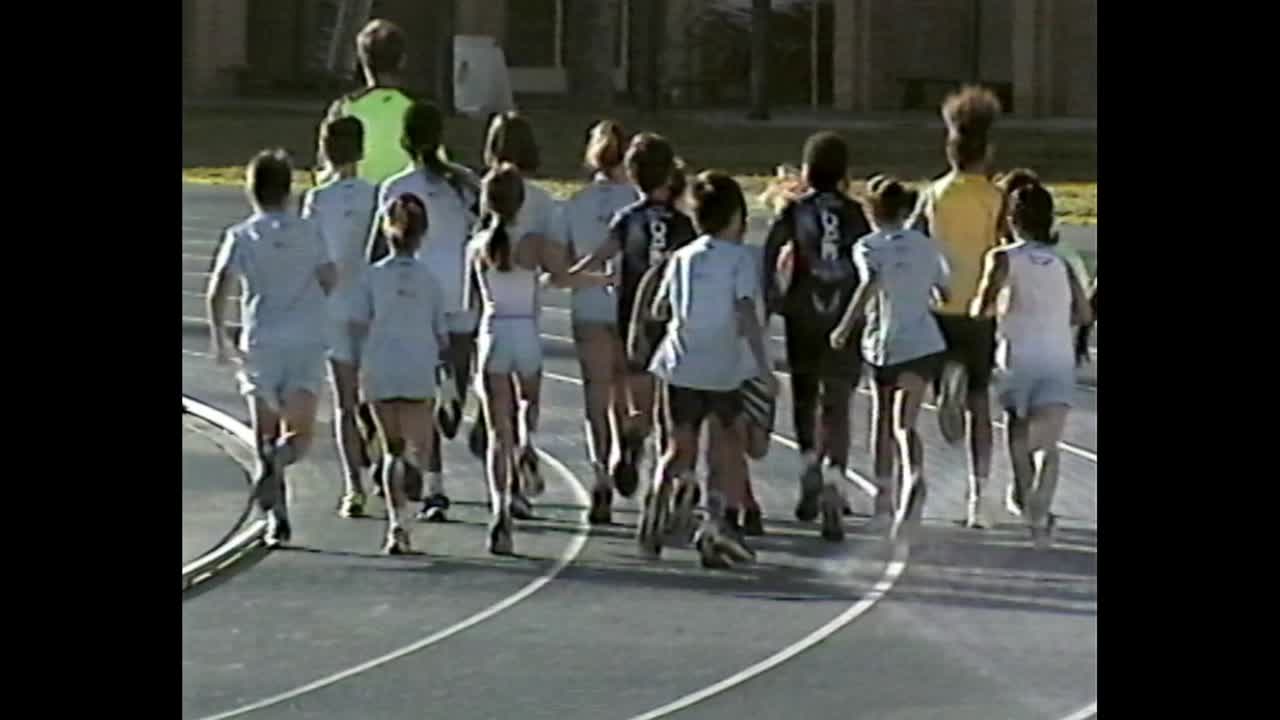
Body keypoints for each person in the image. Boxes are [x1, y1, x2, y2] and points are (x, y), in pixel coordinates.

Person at [467, 164, 611, 555]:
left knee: (497, 431)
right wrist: (601, 280)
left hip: (493, 331)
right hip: (526, 332)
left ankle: (500, 507)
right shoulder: (533, 243)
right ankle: (525, 445)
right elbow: (562, 277)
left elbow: (470, 300)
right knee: (527, 405)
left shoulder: (477, 246)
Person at [640, 171, 775, 568]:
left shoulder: (681, 257)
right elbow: (745, 310)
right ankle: (715, 524)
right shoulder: (740, 259)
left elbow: (660, 308)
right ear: (735, 217)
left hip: (680, 361)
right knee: (724, 446)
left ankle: (656, 500)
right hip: (722, 367)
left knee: (677, 447)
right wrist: (763, 366)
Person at [206, 150, 336, 547]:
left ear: (251, 191)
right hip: (305, 340)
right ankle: (281, 460)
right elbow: (329, 277)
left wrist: (219, 336)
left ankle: (276, 519)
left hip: (261, 340)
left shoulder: (241, 236)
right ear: (288, 190)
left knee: (264, 431)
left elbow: (218, 289)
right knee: (299, 434)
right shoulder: (310, 231)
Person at [369, 100, 481, 523]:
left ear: (403, 140)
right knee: (444, 395)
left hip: (415, 300)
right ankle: (434, 482)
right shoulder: (465, 185)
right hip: (457, 298)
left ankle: (422, 467)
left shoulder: (396, 188)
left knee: (426, 396)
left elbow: (378, 249)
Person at [761, 132, 869, 540]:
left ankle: (809, 463)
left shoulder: (795, 210)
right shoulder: (855, 213)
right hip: (844, 312)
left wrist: (771, 293)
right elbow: (867, 257)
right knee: (838, 400)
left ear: (807, 171)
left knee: (805, 393)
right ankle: (835, 477)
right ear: (844, 173)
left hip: (802, 309)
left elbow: (770, 249)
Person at [971, 183, 1092, 548]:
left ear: (1011, 219)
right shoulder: (1063, 262)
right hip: (1057, 358)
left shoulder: (1002, 258)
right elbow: (1084, 314)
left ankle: (1026, 500)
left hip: (1017, 358)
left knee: (1018, 433)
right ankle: (1041, 509)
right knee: (1048, 444)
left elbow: (981, 307)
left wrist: (994, 309)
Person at [832, 177, 950, 539]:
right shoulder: (926, 245)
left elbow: (869, 284)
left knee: (882, 418)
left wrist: (844, 326)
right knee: (905, 423)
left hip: (885, 343)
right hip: (924, 341)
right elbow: (944, 291)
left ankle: (884, 502)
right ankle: (913, 474)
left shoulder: (867, 246)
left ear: (871, 212)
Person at [910, 86, 1006, 529]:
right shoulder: (995, 197)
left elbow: (915, 239)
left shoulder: (933, 194)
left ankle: (946, 377)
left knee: (930, 383)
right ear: (987, 151)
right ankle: (979, 496)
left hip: (940, 303)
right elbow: (1004, 245)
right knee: (980, 404)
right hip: (979, 308)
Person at [349, 194, 449, 554]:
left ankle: (397, 525)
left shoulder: (371, 277)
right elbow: (442, 333)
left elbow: (359, 323)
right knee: (419, 446)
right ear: (422, 236)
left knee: (390, 447)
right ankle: (413, 475)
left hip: (382, 366)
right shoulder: (430, 280)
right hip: (418, 367)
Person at [558, 122, 641, 523]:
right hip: (629, 307)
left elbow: (566, 262)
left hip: (589, 305)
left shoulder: (575, 204)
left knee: (597, 392)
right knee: (626, 387)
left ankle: (601, 472)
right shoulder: (637, 201)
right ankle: (628, 443)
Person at [301, 116, 379, 519]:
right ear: (362, 150)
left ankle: (353, 488)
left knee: (345, 402)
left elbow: (312, 259)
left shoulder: (317, 199)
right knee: (379, 395)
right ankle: (384, 462)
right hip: (372, 307)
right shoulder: (376, 194)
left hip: (334, 308)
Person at [319, 19, 416, 186]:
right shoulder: (417, 110)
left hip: (357, 198)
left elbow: (328, 166)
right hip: (404, 198)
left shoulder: (344, 108)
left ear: (362, 62)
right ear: (402, 60)